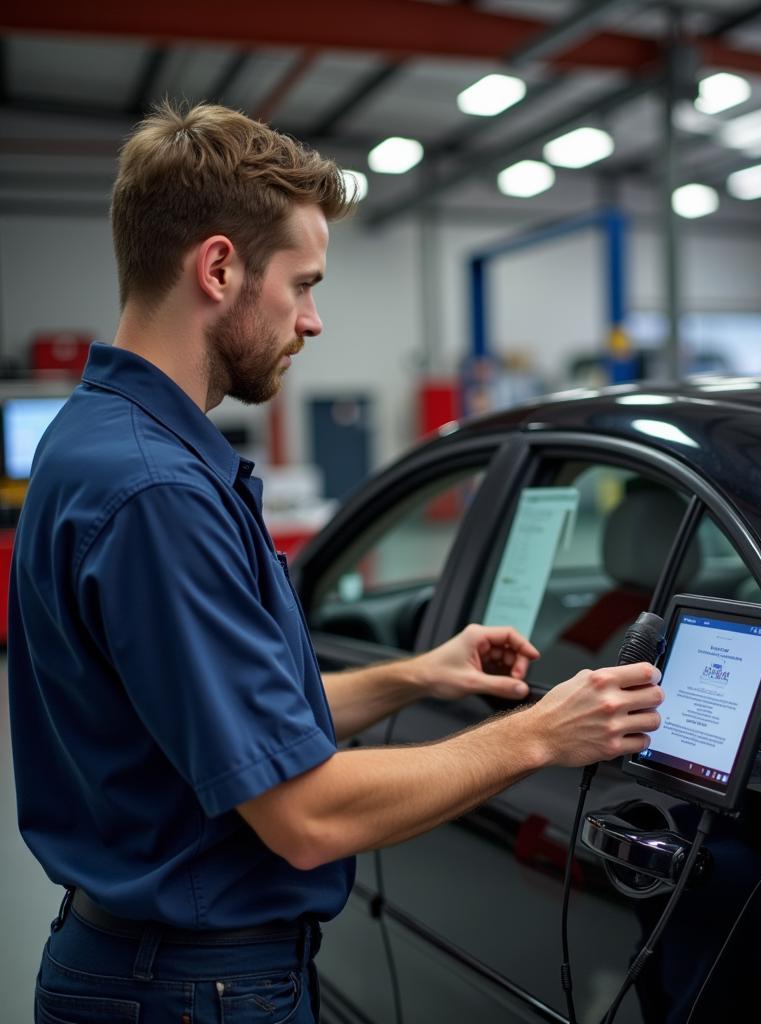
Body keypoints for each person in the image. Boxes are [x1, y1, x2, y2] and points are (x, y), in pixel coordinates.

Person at [7, 101, 663, 1024]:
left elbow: (231, 726)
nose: (313, 320)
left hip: (161, 971)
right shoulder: (159, 493)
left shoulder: (106, 440)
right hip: (193, 990)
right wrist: (542, 736)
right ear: (220, 267)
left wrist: (413, 676)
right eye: (303, 284)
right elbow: (304, 815)